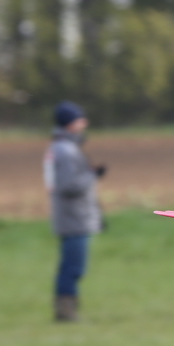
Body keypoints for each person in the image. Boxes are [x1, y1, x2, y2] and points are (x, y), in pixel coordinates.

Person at [45, 102, 104, 321]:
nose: (84, 123)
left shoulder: (62, 147)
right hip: (73, 218)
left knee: (71, 266)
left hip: (74, 216)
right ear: (69, 123)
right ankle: (66, 312)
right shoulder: (65, 150)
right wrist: (93, 175)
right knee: (73, 268)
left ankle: (67, 310)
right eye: (79, 119)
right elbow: (68, 186)